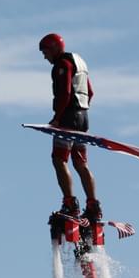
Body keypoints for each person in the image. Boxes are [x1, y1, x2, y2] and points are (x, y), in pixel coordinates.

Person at [39, 33, 102, 222]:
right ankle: (93, 206)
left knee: (59, 160)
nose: (45, 57)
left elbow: (65, 93)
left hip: (67, 119)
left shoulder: (62, 65)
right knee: (81, 163)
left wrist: (57, 119)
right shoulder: (78, 63)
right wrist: (80, 111)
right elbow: (89, 92)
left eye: (45, 52)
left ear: (54, 48)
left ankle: (70, 204)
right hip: (83, 118)